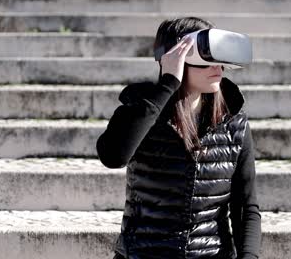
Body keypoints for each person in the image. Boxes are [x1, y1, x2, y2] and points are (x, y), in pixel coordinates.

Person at [96, 16, 262, 259]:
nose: (217, 67)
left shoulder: (233, 122)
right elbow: (113, 156)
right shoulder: (141, 110)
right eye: (205, 59)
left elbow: (246, 207)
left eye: (219, 59)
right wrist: (167, 83)